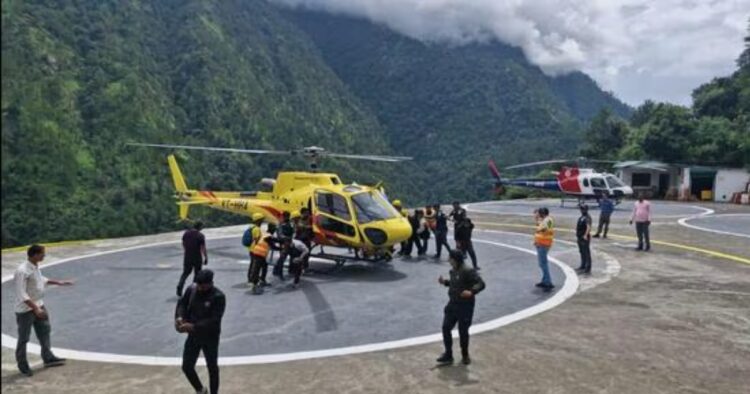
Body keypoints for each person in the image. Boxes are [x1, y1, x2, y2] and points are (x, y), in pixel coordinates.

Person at [14, 244, 73, 377]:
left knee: (45, 331)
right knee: (24, 338)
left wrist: (59, 282)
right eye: (42, 253)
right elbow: (21, 294)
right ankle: (23, 365)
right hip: (26, 310)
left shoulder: (35, 267)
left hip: (39, 305)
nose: (44, 256)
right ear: (34, 255)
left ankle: (48, 357)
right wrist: (35, 309)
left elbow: (41, 280)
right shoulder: (22, 271)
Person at [175, 269, 225, 394]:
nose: (199, 288)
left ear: (210, 283)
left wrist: (193, 326)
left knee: (212, 368)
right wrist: (179, 318)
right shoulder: (192, 289)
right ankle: (200, 390)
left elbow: (214, 320)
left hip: (210, 337)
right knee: (187, 366)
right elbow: (182, 304)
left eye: (202, 286)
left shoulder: (218, 297)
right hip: (194, 336)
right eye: (198, 284)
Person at [436, 250, 486, 365]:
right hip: (452, 304)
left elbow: (481, 283)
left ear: (454, 259)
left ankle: (465, 355)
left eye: (450, 258)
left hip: (465, 306)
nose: (448, 260)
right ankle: (448, 354)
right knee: (445, 327)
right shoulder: (453, 270)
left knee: (463, 332)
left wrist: (472, 292)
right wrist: (445, 282)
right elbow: (455, 283)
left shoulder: (468, 270)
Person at [177, 221, 208, 297]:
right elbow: (203, 248)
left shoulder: (186, 234)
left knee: (185, 273)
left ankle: (180, 285)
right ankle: (193, 290)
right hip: (197, 257)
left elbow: (183, 244)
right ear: (200, 227)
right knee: (197, 274)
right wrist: (206, 257)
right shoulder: (200, 235)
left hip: (187, 256)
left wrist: (187, 250)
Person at [249, 224, 276, 294]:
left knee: (264, 266)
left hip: (258, 253)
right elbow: (273, 246)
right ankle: (254, 286)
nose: (275, 230)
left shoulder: (265, 233)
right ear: (272, 229)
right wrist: (282, 248)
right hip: (259, 253)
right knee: (256, 269)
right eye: (274, 228)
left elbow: (274, 240)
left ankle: (262, 280)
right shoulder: (268, 236)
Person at [533, 207, 555, 291]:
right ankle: (545, 280)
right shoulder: (545, 220)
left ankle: (548, 281)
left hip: (544, 243)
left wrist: (539, 226)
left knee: (543, 263)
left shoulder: (548, 220)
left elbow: (544, 229)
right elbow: (539, 226)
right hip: (541, 243)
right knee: (542, 263)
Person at [273, 211, 295, 280]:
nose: (286, 217)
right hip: (283, 243)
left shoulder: (291, 223)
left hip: (290, 242)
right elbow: (279, 234)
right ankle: (279, 273)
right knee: (282, 258)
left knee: (293, 256)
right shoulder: (280, 224)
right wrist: (286, 238)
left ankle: (291, 270)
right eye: (285, 216)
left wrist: (292, 238)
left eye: (287, 216)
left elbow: (294, 231)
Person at [245, 213, 264, 286]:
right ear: (258, 220)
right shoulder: (257, 229)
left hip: (251, 249)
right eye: (261, 220)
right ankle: (253, 280)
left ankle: (250, 278)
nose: (262, 221)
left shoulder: (251, 227)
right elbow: (257, 240)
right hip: (256, 250)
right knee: (255, 266)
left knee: (252, 264)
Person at [576, 204, 593, 274]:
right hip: (580, 236)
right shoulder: (582, 217)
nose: (581, 210)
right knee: (582, 252)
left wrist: (585, 235)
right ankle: (583, 265)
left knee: (586, 252)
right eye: (581, 209)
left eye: (582, 209)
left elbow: (588, 227)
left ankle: (588, 267)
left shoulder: (587, 217)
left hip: (584, 237)